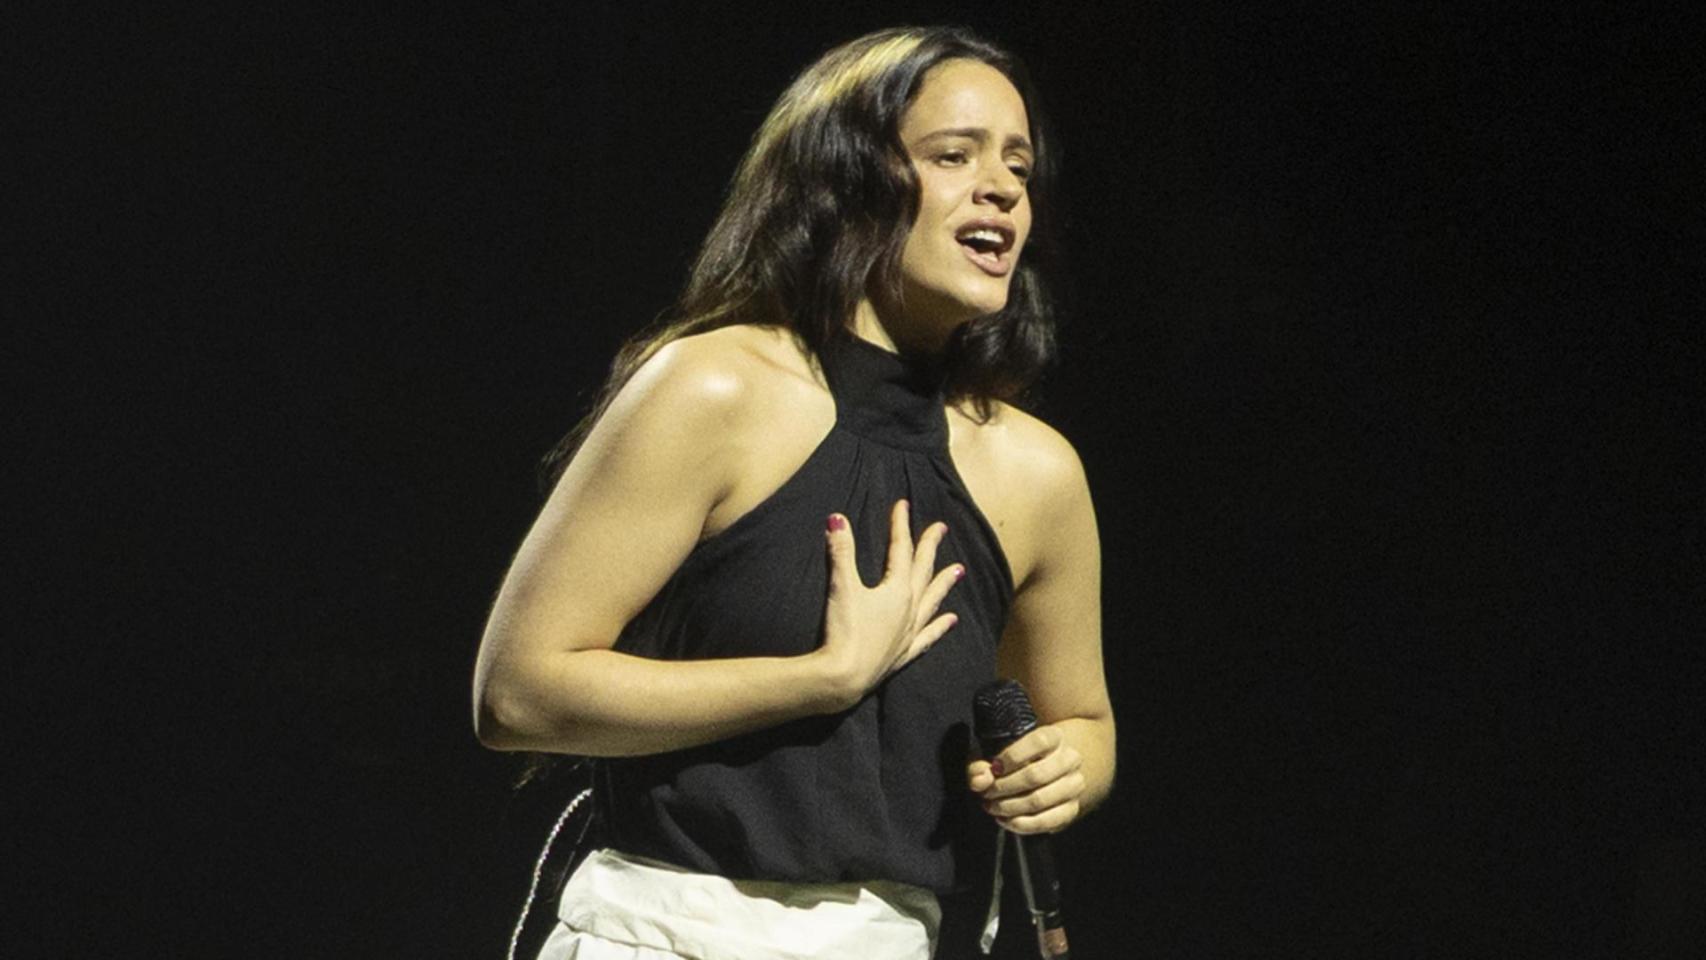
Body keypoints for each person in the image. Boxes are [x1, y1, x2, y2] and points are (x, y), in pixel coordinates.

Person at [473, 25, 1115, 960]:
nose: (1004, 187)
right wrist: (820, 680)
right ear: (847, 181)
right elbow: (518, 694)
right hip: (667, 934)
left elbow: (1082, 722)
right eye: (953, 155)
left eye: (1019, 165)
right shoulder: (712, 388)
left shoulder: (1037, 473)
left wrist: (1070, 770)